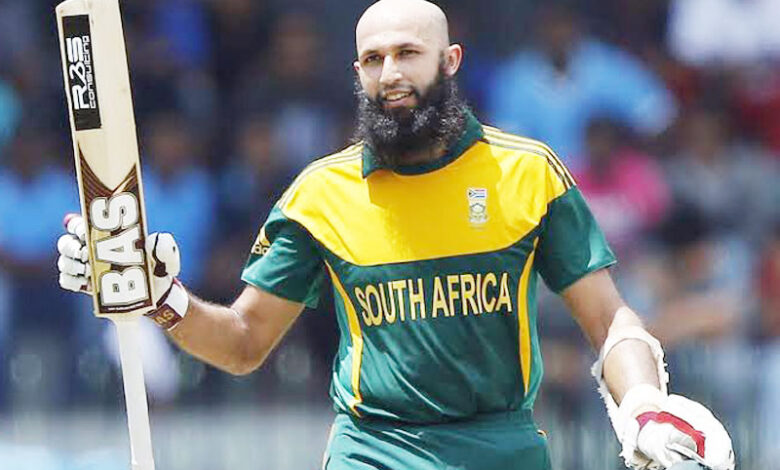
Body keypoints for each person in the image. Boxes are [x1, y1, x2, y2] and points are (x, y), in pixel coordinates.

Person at [56, 1, 734, 469]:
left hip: (502, 448)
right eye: (373, 59)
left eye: (409, 53)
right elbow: (242, 343)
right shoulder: (320, 195)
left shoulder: (528, 174)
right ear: (356, 72)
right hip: (373, 450)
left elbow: (610, 321)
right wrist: (161, 297)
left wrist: (644, 404)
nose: (391, 74)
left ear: (450, 60)